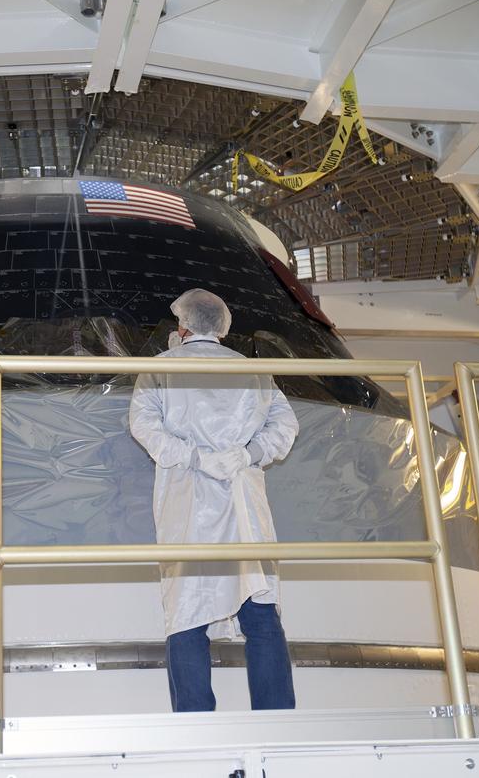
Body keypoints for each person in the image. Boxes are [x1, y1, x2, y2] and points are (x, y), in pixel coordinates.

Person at [128, 288, 300, 712]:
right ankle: (278, 723)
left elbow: (145, 427)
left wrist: (193, 457)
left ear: (182, 326)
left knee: (187, 614)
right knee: (259, 610)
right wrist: (245, 454)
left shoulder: (159, 369)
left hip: (186, 501)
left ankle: (195, 727)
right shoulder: (252, 371)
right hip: (244, 501)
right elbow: (284, 426)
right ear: (221, 328)